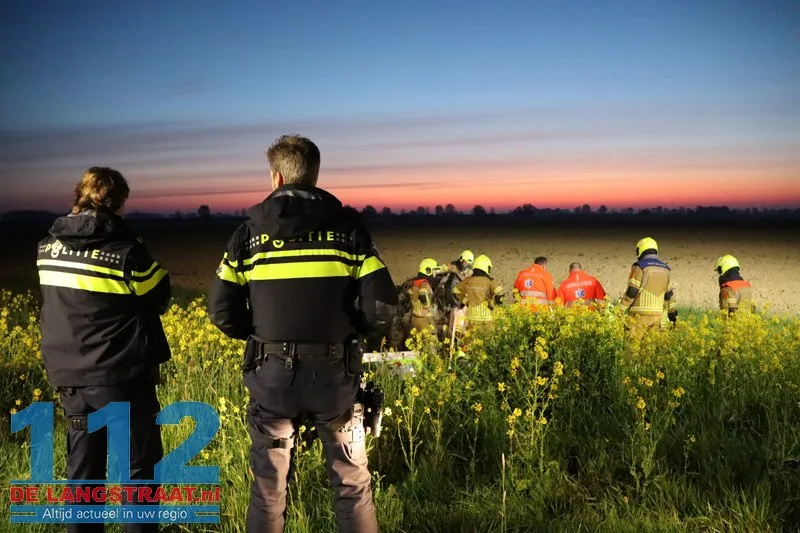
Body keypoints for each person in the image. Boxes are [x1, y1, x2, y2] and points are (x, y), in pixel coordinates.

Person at [208, 134, 397, 533]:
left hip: (271, 378)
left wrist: (260, 338)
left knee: (268, 489)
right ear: (313, 175)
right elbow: (382, 306)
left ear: (276, 177)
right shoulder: (349, 231)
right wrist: (353, 334)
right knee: (351, 484)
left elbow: (221, 311)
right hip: (334, 378)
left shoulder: (247, 235)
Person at [36, 167, 171, 533]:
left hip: (69, 379)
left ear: (79, 194)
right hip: (120, 377)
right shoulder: (125, 252)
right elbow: (160, 294)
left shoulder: (45, 248)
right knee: (138, 473)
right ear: (118, 203)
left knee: (83, 476)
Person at [618, 237, 677, 333]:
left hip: (639, 315)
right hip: (658, 316)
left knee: (634, 345)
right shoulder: (666, 269)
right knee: (652, 346)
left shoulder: (640, 267)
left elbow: (632, 292)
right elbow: (669, 296)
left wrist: (619, 310)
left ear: (641, 250)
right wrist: (673, 317)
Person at [452, 254, 505, 333]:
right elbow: (501, 294)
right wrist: (492, 304)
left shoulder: (467, 281)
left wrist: (465, 301)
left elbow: (455, 292)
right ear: (486, 267)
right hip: (486, 321)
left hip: (471, 320)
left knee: (471, 343)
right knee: (486, 343)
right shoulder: (490, 281)